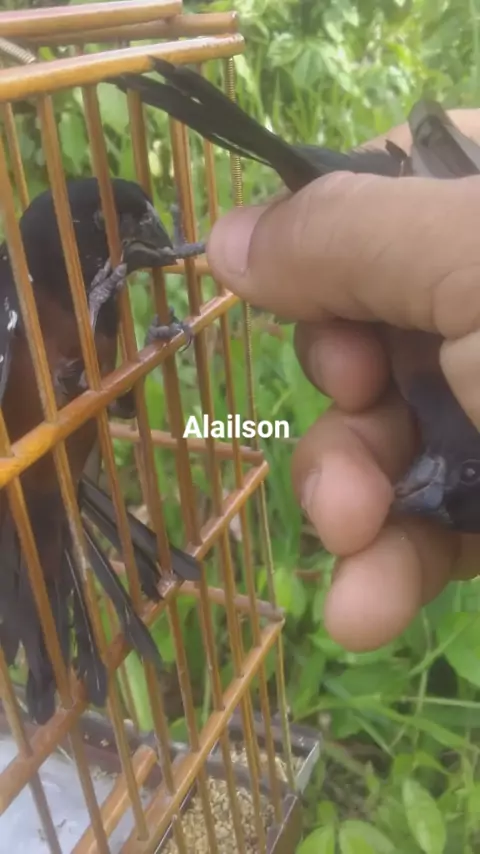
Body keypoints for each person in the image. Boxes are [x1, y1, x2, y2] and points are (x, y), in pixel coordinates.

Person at [205, 109, 480, 653]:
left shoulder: (427, 389)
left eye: (436, 499)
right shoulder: (443, 374)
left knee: (348, 367)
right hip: (410, 195)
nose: (423, 487)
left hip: (417, 195)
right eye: (465, 473)